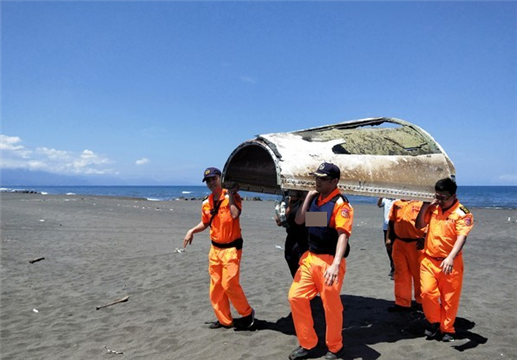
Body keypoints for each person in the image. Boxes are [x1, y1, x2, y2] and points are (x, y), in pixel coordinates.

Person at [288, 162, 354, 360]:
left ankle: (335, 348)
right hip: (310, 258)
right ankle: (308, 343)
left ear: (334, 181)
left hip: (329, 261)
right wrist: (308, 198)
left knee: (331, 307)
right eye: (316, 177)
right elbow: (301, 221)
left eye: (322, 179)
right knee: (296, 297)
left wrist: (335, 265)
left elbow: (343, 235)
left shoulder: (341, 204)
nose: (317, 181)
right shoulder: (317, 199)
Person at [183, 167, 254, 330]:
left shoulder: (233, 196)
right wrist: (192, 230)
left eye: (214, 179)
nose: (211, 183)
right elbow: (206, 222)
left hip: (231, 248)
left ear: (221, 178)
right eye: (208, 180)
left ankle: (247, 313)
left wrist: (229, 195)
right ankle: (224, 320)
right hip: (215, 249)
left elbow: (235, 214)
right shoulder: (206, 203)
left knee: (230, 284)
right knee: (216, 287)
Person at [416, 178, 474, 342]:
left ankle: (447, 328)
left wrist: (450, 257)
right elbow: (419, 225)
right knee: (427, 293)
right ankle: (434, 322)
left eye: (443, 198)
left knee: (449, 298)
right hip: (428, 259)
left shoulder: (462, 213)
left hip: (451, 262)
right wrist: (426, 205)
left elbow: (461, 237)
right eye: (437, 196)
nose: (440, 201)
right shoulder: (433, 208)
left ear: (453, 195)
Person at [387, 199, 426, 312]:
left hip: (417, 243)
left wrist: (424, 238)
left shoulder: (422, 203)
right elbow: (391, 221)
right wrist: (389, 238)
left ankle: (421, 301)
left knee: (419, 274)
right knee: (400, 273)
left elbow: (430, 222)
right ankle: (402, 302)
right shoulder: (397, 203)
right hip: (399, 242)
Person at [275, 190, 309, 278]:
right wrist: (289, 207)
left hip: (307, 239)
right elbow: (279, 222)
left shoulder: (311, 198)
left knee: (304, 269)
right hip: (292, 238)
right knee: (292, 262)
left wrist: (305, 201)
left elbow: (321, 220)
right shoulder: (287, 199)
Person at [377, 197, 396, 279]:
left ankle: (395, 269)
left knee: (395, 248)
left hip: (395, 227)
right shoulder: (386, 199)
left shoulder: (397, 200)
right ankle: (392, 266)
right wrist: (380, 196)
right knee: (388, 248)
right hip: (386, 226)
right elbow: (379, 204)